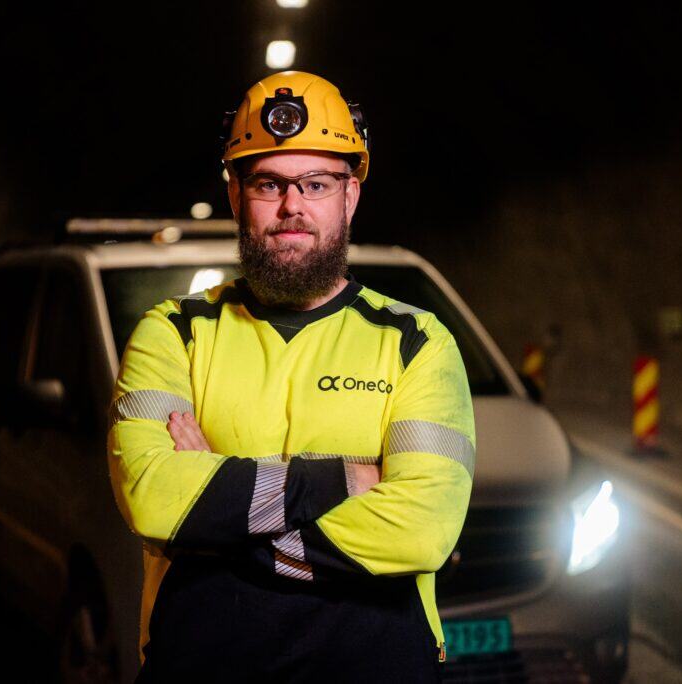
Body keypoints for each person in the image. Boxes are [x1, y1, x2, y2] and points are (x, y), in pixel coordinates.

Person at [108, 70, 476, 683]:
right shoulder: (174, 332)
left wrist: (224, 533)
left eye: (317, 183)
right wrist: (342, 480)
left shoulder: (417, 343)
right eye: (268, 184)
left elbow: (421, 529)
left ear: (350, 195)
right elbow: (152, 497)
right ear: (234, 195)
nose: (292, 207)